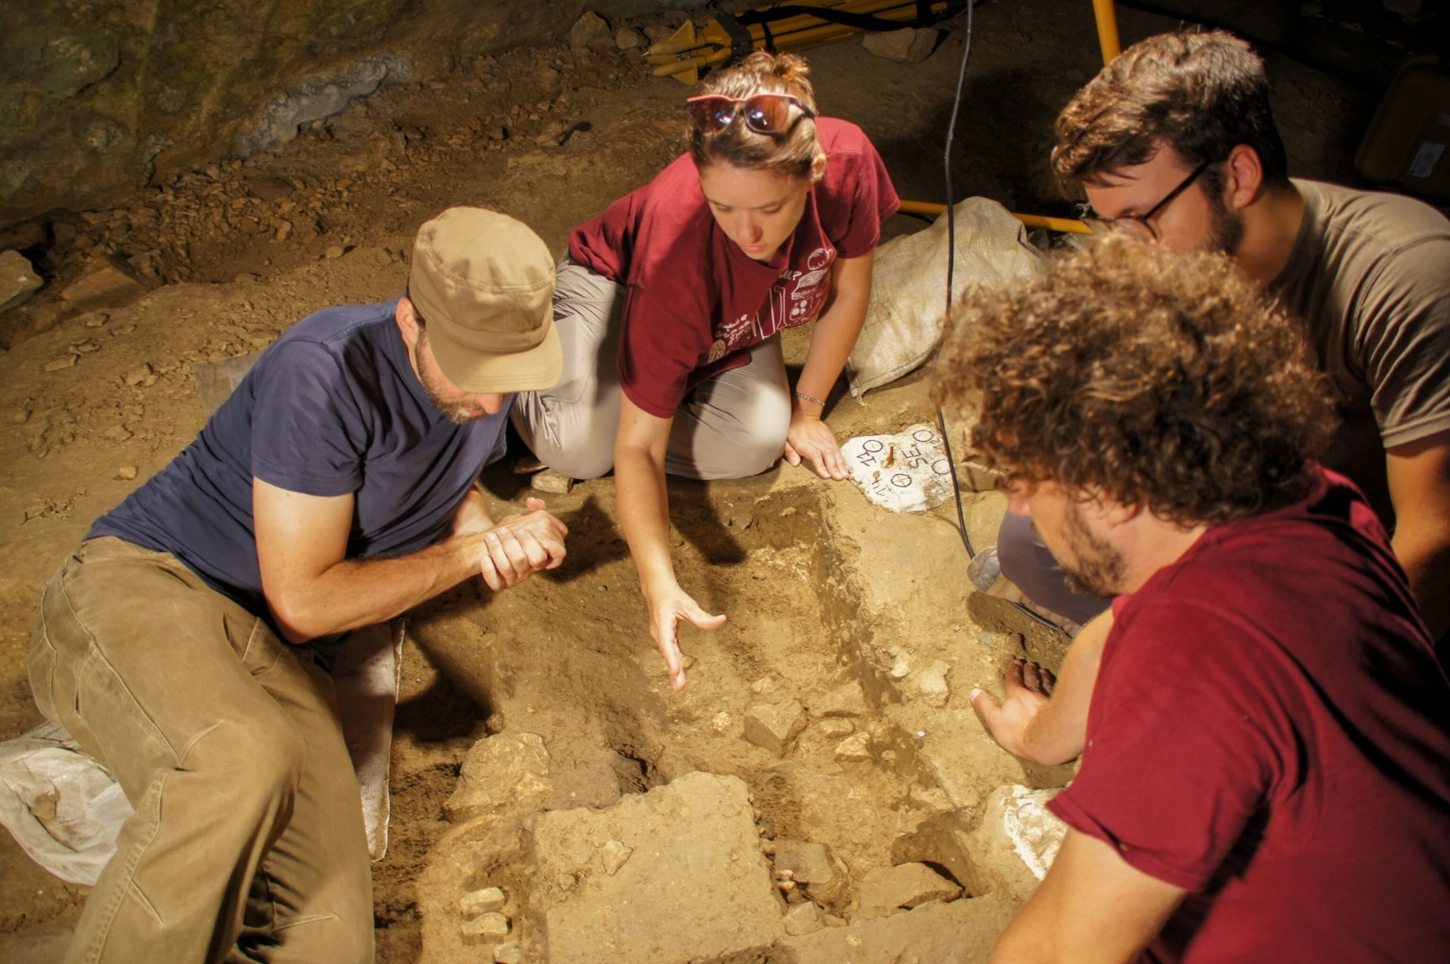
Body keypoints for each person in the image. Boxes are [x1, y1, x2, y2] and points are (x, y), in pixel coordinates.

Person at [27, 207, 570, 964]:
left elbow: (451, 481)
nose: (490, 403)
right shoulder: (324, 370)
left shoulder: (491, 366)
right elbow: (307, 602)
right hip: (151, 584)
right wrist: (469, 558)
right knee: (238, 765)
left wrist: (489, 528)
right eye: (475, 374)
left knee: (328, 942)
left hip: (281, 657)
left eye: (507, 378)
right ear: (412, 318)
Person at [935, 233, 1450, 963]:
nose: (1017, 502)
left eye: (1025, 474)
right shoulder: (1304, 501)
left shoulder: (1196, 664)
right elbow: (1118, 628)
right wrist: (1041, 737)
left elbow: (1055, 949)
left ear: (1108, 488)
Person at [977, 28, 1450, 764]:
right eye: (1109, 221)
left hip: (1342, 555)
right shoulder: (1180, 258)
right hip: (1243, 512)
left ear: (1236, 176)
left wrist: (1319, 705)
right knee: (1031, 541)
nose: (1125, 244)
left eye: (1142, 216)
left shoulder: (1403, 276)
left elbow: (1432, 539)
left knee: (1210, 696)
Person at [512, 51, 899, 689]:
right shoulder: (678, 248)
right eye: (723, 207)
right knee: (581, 446)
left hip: (731, 323)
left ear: (814, 173)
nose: (747, 232)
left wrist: (806, 410)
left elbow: (849, 291)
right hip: (614, 288)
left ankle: (660, 382)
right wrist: (659, 583)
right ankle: (548, 362)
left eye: (770, 209)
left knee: (757, 441)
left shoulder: (850, 161)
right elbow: (636, 449)